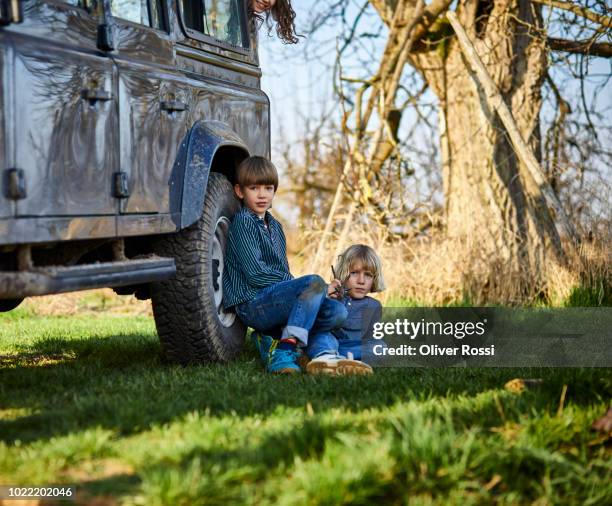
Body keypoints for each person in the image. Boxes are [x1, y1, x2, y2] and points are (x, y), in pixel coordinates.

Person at [223, 156, 368, 375]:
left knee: (338, 311)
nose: (262, 194)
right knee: (314, 283)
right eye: (254, 188)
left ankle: (287, 343)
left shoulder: (276, 228)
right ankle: (285, 351)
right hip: (252, 303)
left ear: (274, 191)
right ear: (240, 191)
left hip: (274, 300)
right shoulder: (244, 222)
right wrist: (312, 287)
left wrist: (318, 295)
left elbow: (282, 273)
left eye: (268, 188)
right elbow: (256, 275)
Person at [305, 245, 385, 372]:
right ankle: (328, 358)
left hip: (352, 346)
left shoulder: (374, 306)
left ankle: (340, 361)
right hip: (330, 343)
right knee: (322, 337)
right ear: (342, 273)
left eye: (368, 275)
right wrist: (327, 296)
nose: (361, 281)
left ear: (374, 279)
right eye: (354, 273)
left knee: (380, 347)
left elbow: (369, 336)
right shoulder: (332, 296)